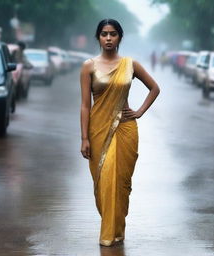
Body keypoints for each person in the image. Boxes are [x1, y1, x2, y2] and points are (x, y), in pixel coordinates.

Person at [80, 19, 160, 247]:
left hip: (125, 130)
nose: (108, 38)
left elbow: (155, 88)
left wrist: (139, 112)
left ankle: (115, 232)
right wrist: (84, 138)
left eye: (113, 34)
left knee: (121, 183)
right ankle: (109, 229)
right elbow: (85, 105)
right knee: (104, 181)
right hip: (98, 130)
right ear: (98, 37)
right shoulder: (89, 66)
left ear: (119, 38)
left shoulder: (130, 64)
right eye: (104, 34)